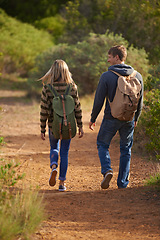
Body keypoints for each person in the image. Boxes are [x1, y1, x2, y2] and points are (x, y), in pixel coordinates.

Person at [89, 45, 143, 189]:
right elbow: (140, 101)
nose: (108, 60)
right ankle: (123, 183)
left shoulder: (106, 76)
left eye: (110, 57)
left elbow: (99, 100)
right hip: (129, 118)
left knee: (102, 144)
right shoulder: (137, 76)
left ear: (117, 57)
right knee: (126, 149)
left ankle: (107, 170)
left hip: (111, 118)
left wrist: (93, 118)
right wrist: (136, 118)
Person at [40, 60, 84, 191]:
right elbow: (77, 108)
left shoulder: (47, 88)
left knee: (54, 147)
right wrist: (80, 125)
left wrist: (42, 128)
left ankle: (54, 166)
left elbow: (43, 110)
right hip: (68, 126)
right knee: (64, 152)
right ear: (66, 71)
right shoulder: (72, 87)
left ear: (52, 71)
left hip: (53, 125)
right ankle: (62, 183)